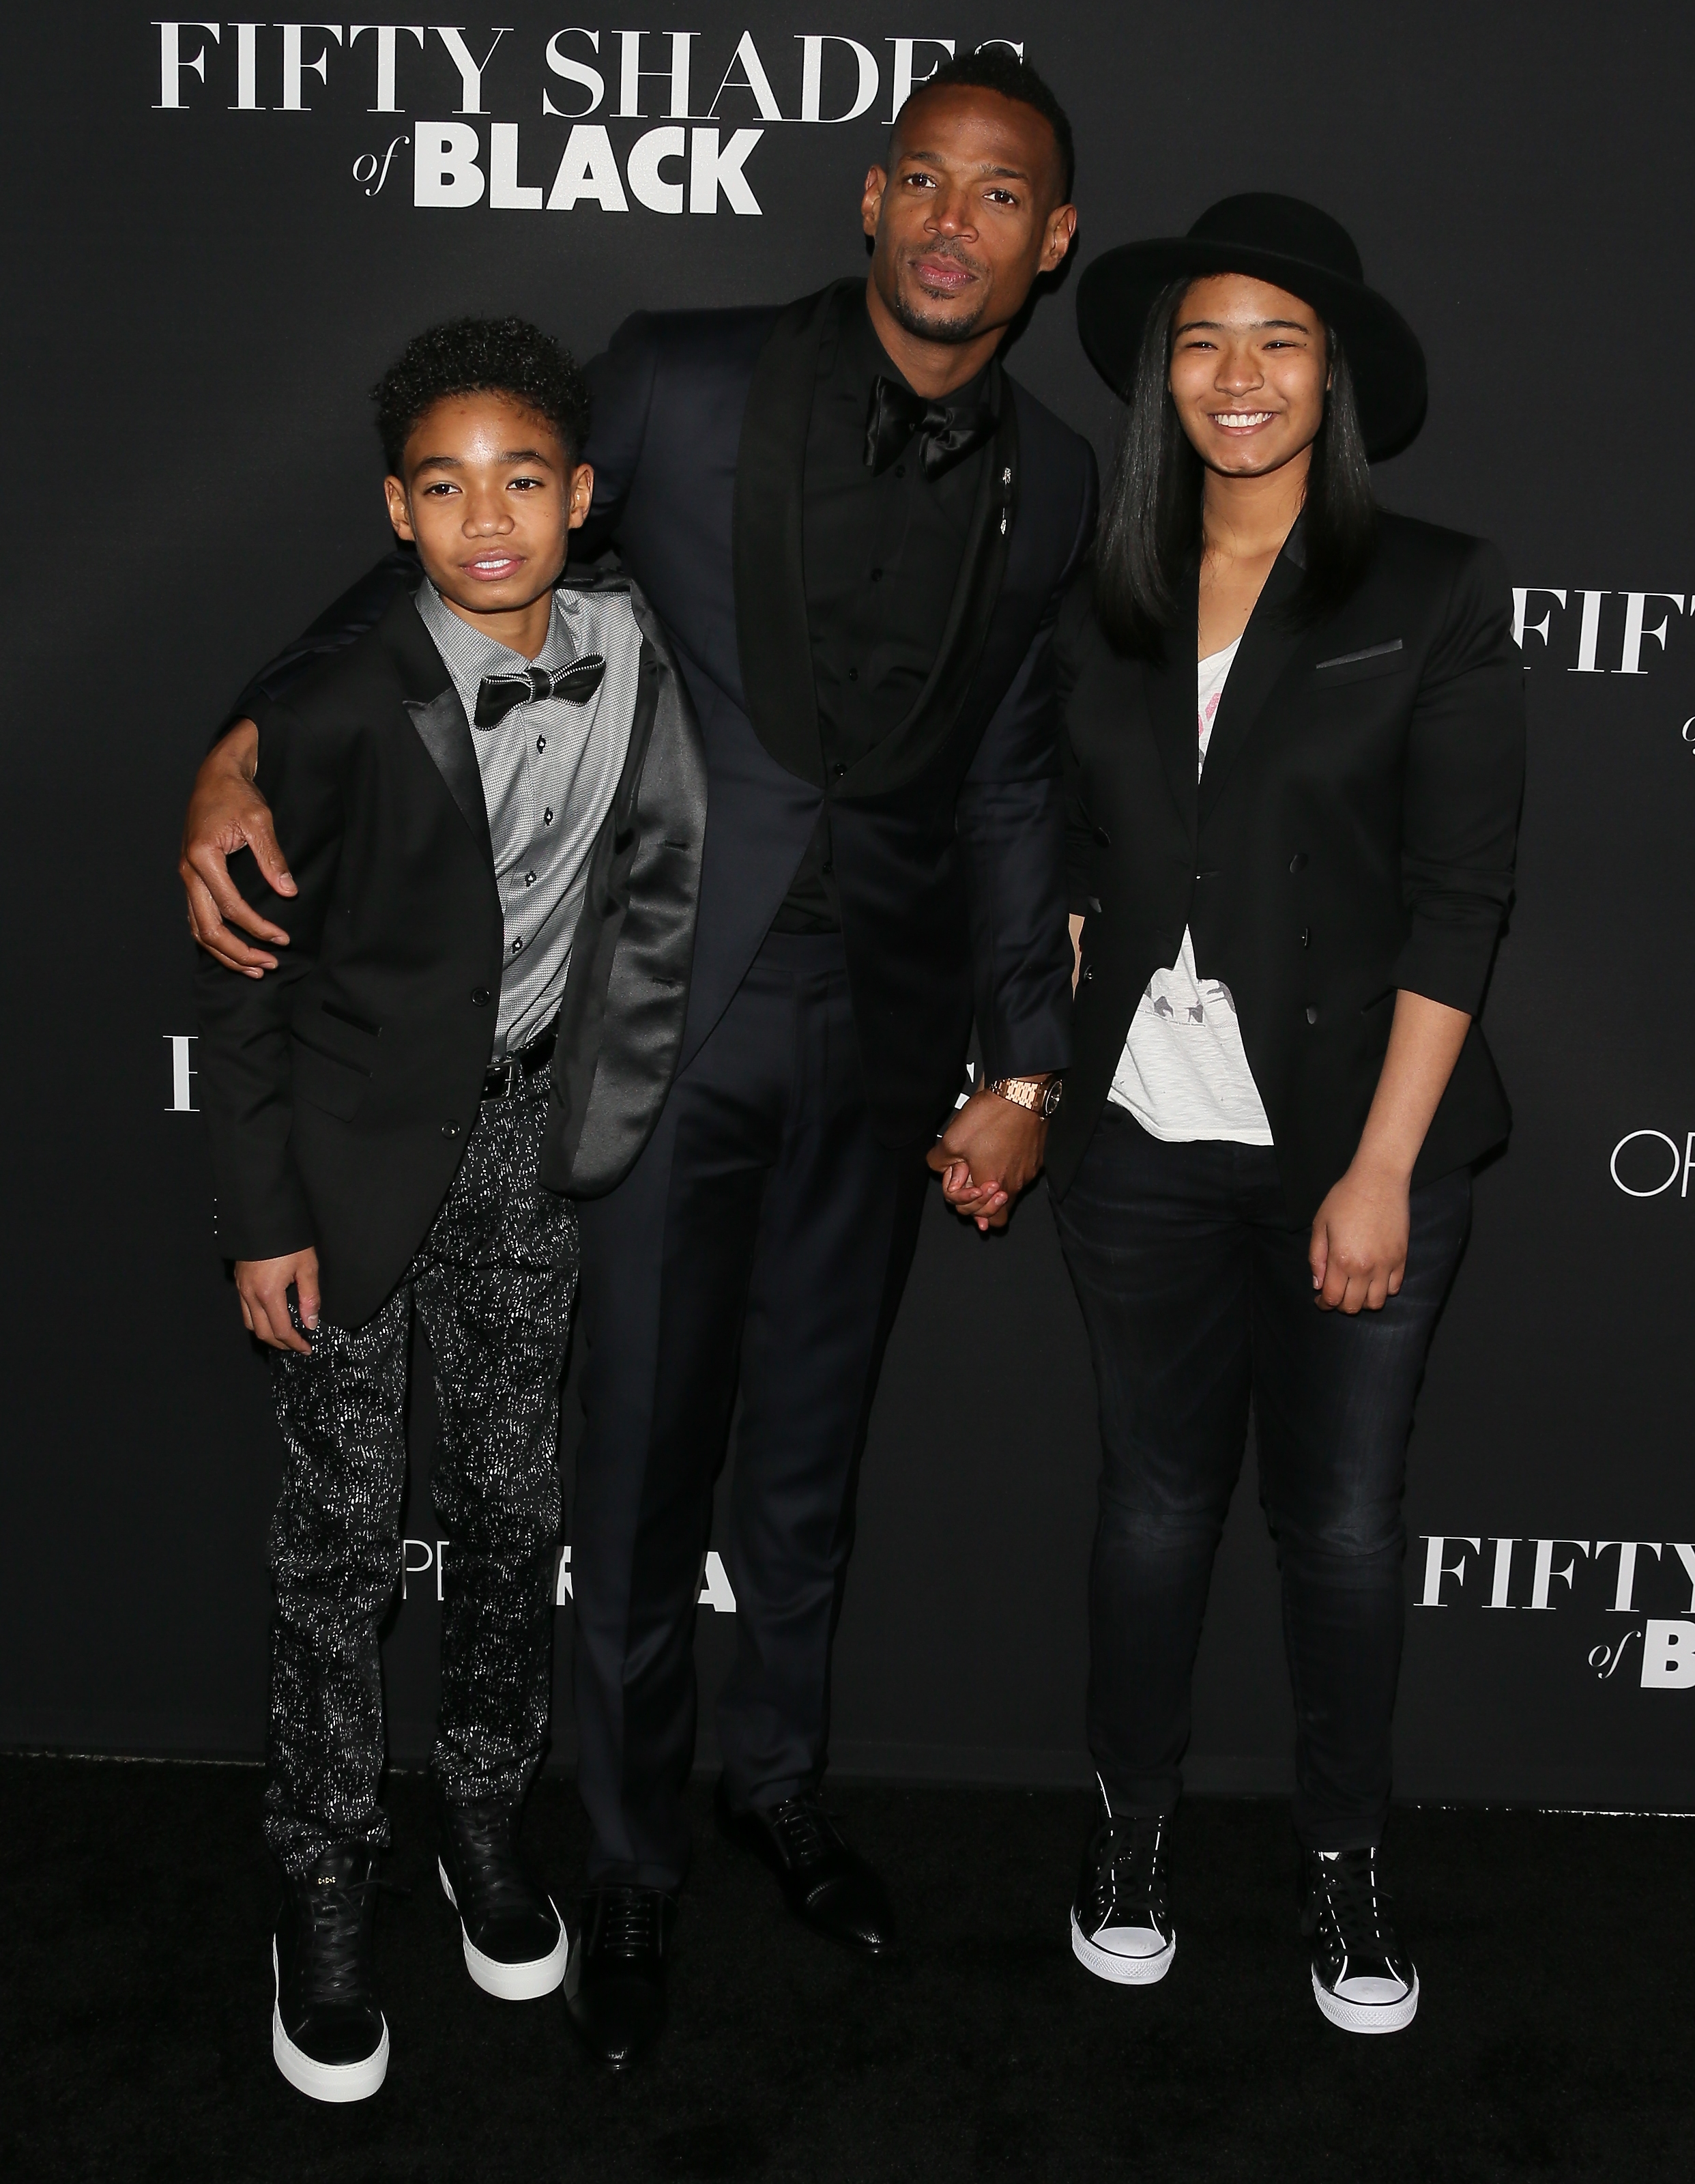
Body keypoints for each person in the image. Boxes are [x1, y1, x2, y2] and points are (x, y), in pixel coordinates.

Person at [178, 50, 1095, 2068]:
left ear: (1050, 240)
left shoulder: (1060, 470)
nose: (953, 221)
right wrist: (249, 732)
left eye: (998, 194)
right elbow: (443, 556)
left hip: (889, 1042)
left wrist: (1025, 1060)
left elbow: (1017, 781)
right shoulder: (678, 379)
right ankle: (626, 1858)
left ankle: (776, 1790)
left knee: (803, 1465)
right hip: (663, 1010)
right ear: (868, 198)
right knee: (638, 1452)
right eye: (921, 182)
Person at [194, 315, 704, 2099]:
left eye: (521, 479)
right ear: (392, 513)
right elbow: (247, 982)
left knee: (505, 1509)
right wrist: (264, 1217)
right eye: (442, 486)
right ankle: (319, 1876)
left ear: (580, 493)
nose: (486, 519)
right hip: (343, 1159)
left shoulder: (641, 634)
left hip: (527, 1147)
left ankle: (482, 1817)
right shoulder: (330, 702)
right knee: (338, 1547)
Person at [1044, 195, 1524, 2033]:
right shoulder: (1095, 589)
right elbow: (1054, 829)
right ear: (1160, 378)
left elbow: (1455, 899)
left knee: (1333, 1523)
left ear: (1330, 378)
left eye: (1277, 344)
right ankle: (1128, 1833)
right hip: (1139, 1146)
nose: (1235, 379)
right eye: (1199, 342)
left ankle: (1341, 1866)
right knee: (1154, 1502)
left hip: (1356, 1143)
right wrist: (1073, 940)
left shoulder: (1431, 589)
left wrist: (1382, 1167)